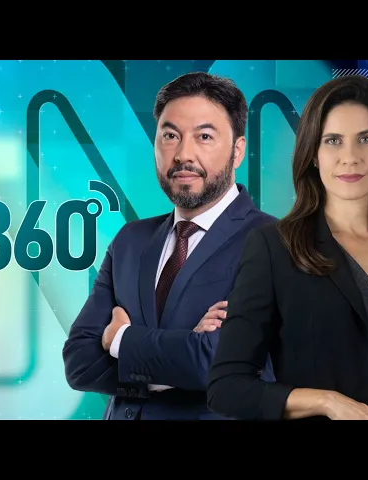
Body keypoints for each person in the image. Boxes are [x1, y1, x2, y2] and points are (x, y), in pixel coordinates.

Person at [207, 74, 368, 421]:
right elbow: (226, 387)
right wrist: (327, 402)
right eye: (333, 140)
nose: (350, 157)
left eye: (366, 139)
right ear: (314, 155)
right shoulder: (273, 248)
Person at [62, 72, 276, 420]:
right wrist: (177, 359)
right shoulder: (130, 240)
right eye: (170, 135)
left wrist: (121, 339)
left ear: (237, 151)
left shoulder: (273, 241)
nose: (183, 154)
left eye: (204, 136)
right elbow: (79, 362)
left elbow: (218, 362)